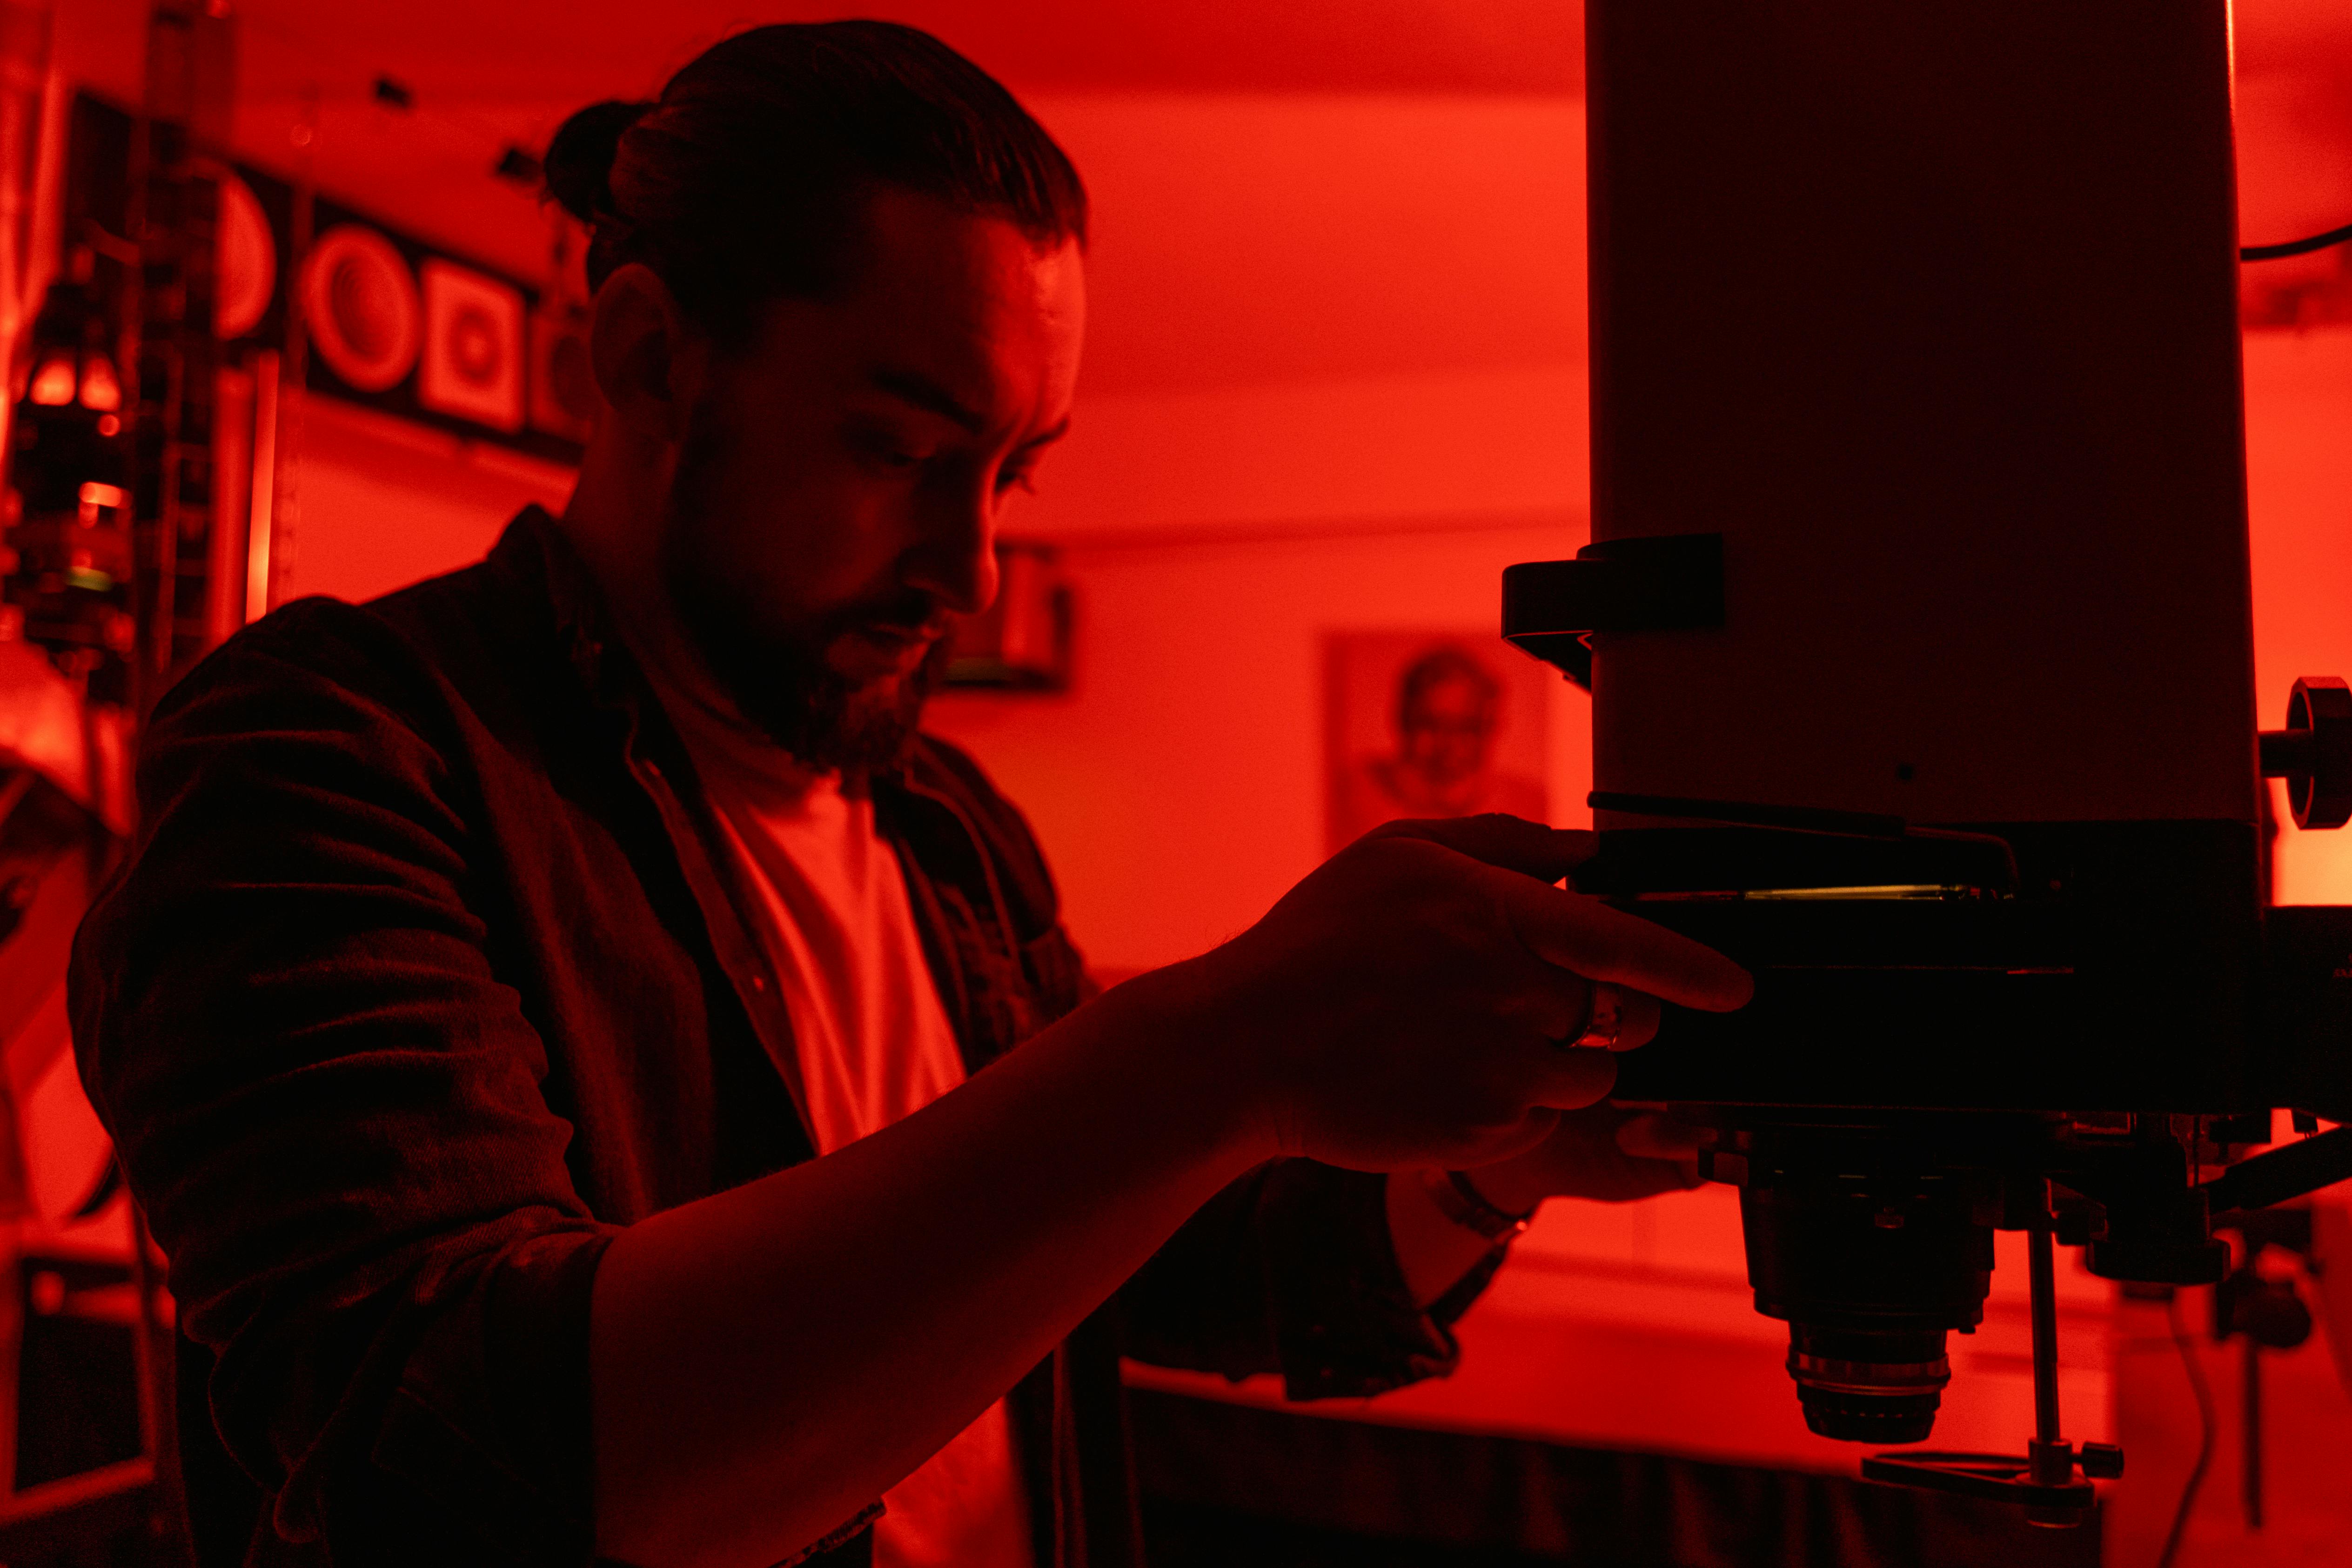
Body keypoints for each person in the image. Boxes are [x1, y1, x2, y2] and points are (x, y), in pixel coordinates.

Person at [68, 23, 1751, 1568]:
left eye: (1017, 470)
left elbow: (1170, 1261)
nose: (973, 566)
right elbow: (464, 1459)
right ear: (651, 360)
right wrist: (1218, 1044)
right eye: (900, 450)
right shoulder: (332, 756)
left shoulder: (945, 826)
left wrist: (1499, 1157)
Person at [1339, 643, 1547, 844]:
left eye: (1466, 727)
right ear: (1402, 722)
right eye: (1431, 725)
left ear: (1490, 730)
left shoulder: (1529, 809)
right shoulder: (1352, 801)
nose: (1448, 746)